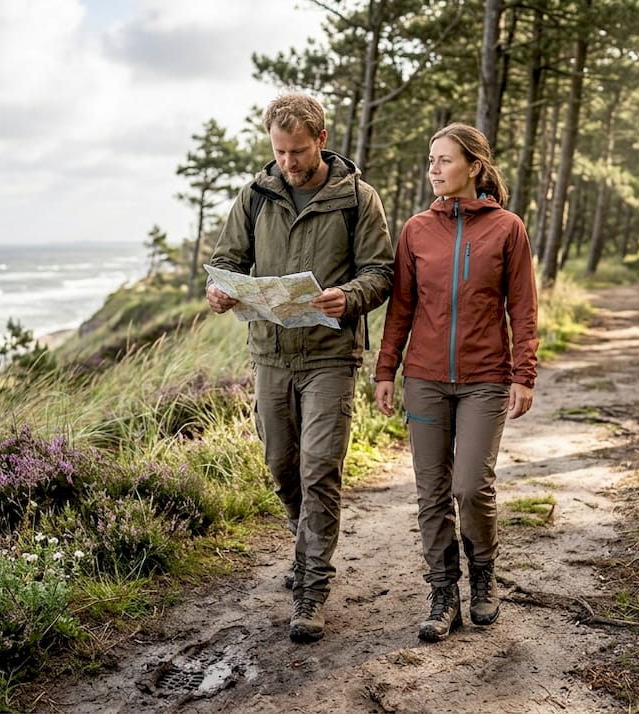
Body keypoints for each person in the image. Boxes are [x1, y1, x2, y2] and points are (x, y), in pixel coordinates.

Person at [206, 93, 394, 643]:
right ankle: (303, 542)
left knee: (319, 468)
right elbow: (225, 263)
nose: (288, 162)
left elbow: (381, 272)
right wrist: (219, 291)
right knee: (280, 465)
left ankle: (311, 589)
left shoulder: (359, 198)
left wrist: (349, 296)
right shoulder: (255, 196)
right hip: (269, 353)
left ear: (322, 140)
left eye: (297, 151)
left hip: (331, 356)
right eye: (279, 151)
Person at [373, 122, 538, 642]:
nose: (434, 170)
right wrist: (386, 370)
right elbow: (401, 309)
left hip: (486, 379)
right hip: (423, 378)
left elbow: (523, 309)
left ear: (474, 165)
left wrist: (523, 374)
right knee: (431, 492)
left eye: (444, 160)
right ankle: (443, 592)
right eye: (430, 160)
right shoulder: (416, 230)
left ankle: (483, 577)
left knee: (471, 485)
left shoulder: (507, 228)